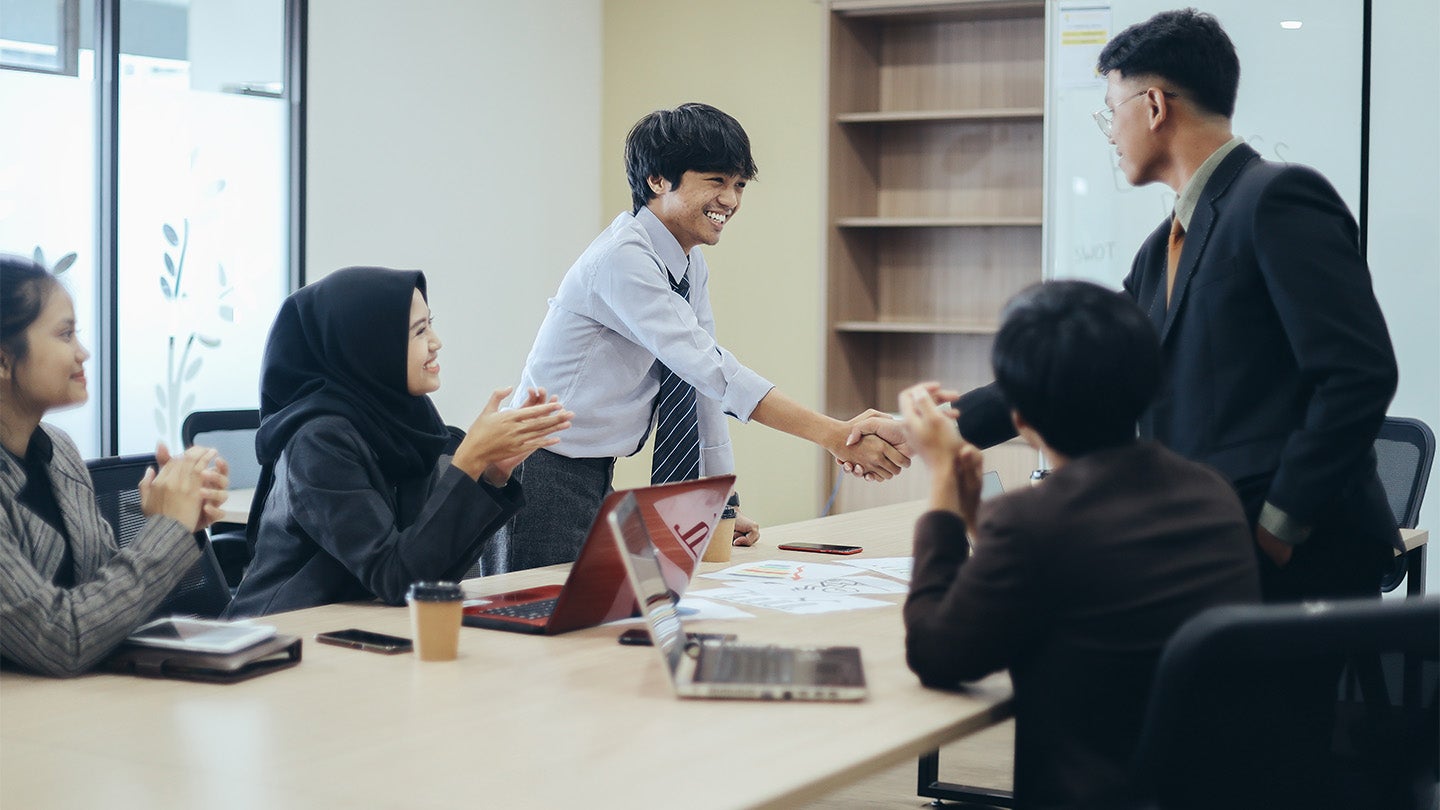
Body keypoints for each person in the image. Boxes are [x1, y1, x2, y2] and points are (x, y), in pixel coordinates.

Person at [851, 8, 1400, 603]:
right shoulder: (1163, 244)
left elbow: (1357, 376)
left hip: (1296, 555)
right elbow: (1073, 363)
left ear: (1155, 105)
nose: (1109, 132)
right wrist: (923, 429)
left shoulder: (1276, 198)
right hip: (1214, 545)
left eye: (1110, 111)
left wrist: (1279, 526)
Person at [486, 102, 906, 573]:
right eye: (716, 181)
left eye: (739, 184)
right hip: (540, 466)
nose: (730, 200)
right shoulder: (623, 258)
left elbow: (705, 387)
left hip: (589, 466)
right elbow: (711, 368)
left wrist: (720, 503)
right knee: (533, 622)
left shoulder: (688, 264)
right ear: (657, 181)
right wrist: (833, 434)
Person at [901, 280, 1260, 810]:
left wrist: (942, 490)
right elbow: (1063, 560)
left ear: (1019, 418)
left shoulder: (1035, 522)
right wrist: (978, 514)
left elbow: (937, 653)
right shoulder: (1211, 491)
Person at [225, 266, 571, 617]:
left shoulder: (407, 426)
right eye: (419, 331)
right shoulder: (318, 441)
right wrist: (467, 463)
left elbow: (430, 572)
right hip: (279, 635)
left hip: (360, 627)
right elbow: (396, 578)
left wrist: (490, 474)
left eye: (430, 324)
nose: (436, 342)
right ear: (371, 347)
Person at [0, 255, 230, 677]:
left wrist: (180, 524)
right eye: (66, 334)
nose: (83, 352)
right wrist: (167, 533)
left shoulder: (58, 451)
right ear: (3, 360)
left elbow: (107, 606)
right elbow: (61, 640)